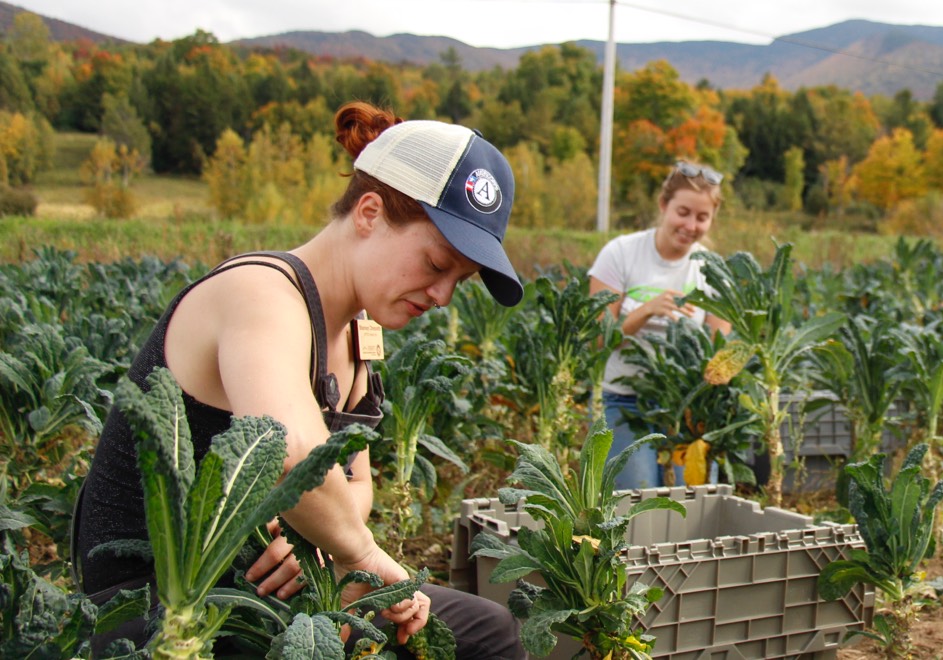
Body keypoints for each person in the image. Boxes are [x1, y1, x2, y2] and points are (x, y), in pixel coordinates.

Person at [72, 102, 526, 659]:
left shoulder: (358, 333)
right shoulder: (261, 293)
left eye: (461, 279)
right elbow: (287, 453)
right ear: (369, 213)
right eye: (436, 265)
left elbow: (355, 486)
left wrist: (312, 539)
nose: (442, 295)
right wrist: (357, 554)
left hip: (265, 588)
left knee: (486, 633)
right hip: (158, 600)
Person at [588, 161, 733, 489]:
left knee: (693, 501)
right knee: (635, 503)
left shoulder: (712, 270)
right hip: (625, 402)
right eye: (683, 212)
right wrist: (645, 312)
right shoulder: (620, 254)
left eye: (702, 217)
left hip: (686, 408)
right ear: (663, 205)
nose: (690, 225)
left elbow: (718, 353)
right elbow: (597, 340)